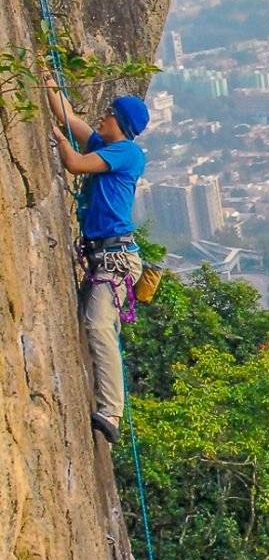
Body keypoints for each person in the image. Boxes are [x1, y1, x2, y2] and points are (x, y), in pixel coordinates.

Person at [46, 77, 149, 444]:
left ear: (121, 122)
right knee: (99, 324)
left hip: (116, 260)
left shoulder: (126, 153)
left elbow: (74, 164)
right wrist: (47, 82)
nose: (102, 117)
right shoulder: (105, 146)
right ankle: (109, 406)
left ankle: (112, 412)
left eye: (108, 113)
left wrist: (58, 139)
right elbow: (70, 117)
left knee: (98, 324)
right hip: (106, 256)